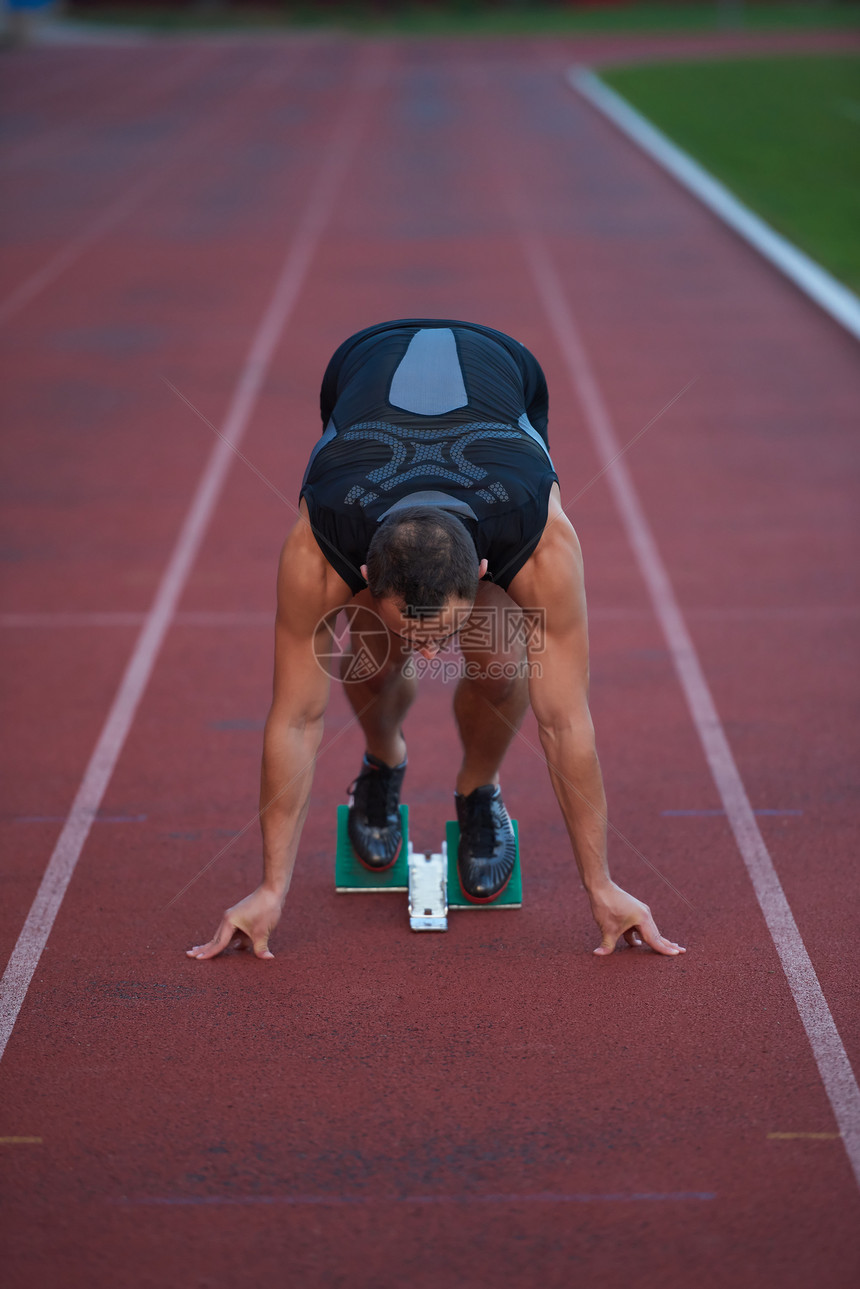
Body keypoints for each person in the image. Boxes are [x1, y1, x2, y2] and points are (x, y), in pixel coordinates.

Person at [188, 319, 685, 961]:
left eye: (440, 633)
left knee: (500, 661)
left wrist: (603, 885)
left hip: (506, 374)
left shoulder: (538, 540)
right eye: (415, 633)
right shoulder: (319, 546)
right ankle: (383, 761)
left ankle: (480, 791)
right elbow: (295, 718)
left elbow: (564, 722)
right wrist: (269, 889)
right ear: (363, 575)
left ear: (482, 572)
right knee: (370, 657)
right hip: (357, 374)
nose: (432, 658)